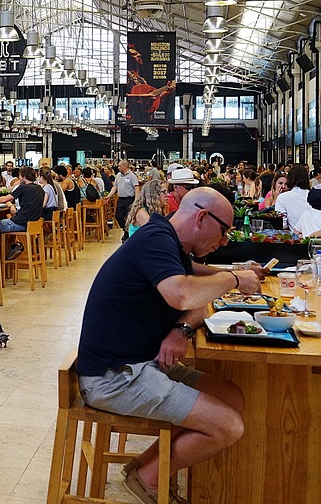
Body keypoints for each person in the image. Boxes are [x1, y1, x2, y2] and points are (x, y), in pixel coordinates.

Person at [76, 188, 252, 503]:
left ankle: (144, 465)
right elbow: (183, 294)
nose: (224, 241)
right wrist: (233, 280)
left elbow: (196, 288)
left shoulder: (171, 243)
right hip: (115, 377)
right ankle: (149, 479)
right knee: (229, 427)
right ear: (201, 217)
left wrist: (181, 330)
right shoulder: (156, 240)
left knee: (231, 397)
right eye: (224, 230)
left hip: (143, 364)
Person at [0, 166, 45, 260]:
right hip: (32, 223)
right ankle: (15, 245)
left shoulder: (23, 187)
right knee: (7, 222)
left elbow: (5, 199)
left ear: (23, 176)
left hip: (21, 223)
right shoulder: (40, 189)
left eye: (20, 176)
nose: (19, 179)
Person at [273, 165, 313, 229]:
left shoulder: (282, 198)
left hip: (295, 236)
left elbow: (282, 224)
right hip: (316, 235)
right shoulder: (314, 195)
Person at [109, 160, 139, 241]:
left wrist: (136, 200)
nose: (118, 167)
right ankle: (125, 229)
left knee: (129, 217)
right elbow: (115, 187)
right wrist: (108, 196)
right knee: (118, 216)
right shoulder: (118, 175)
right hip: (120, 199)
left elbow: (136, 188)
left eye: (119, 166)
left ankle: (127, 233)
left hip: (129, 199)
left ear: (125, 166)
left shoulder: (132, 176)